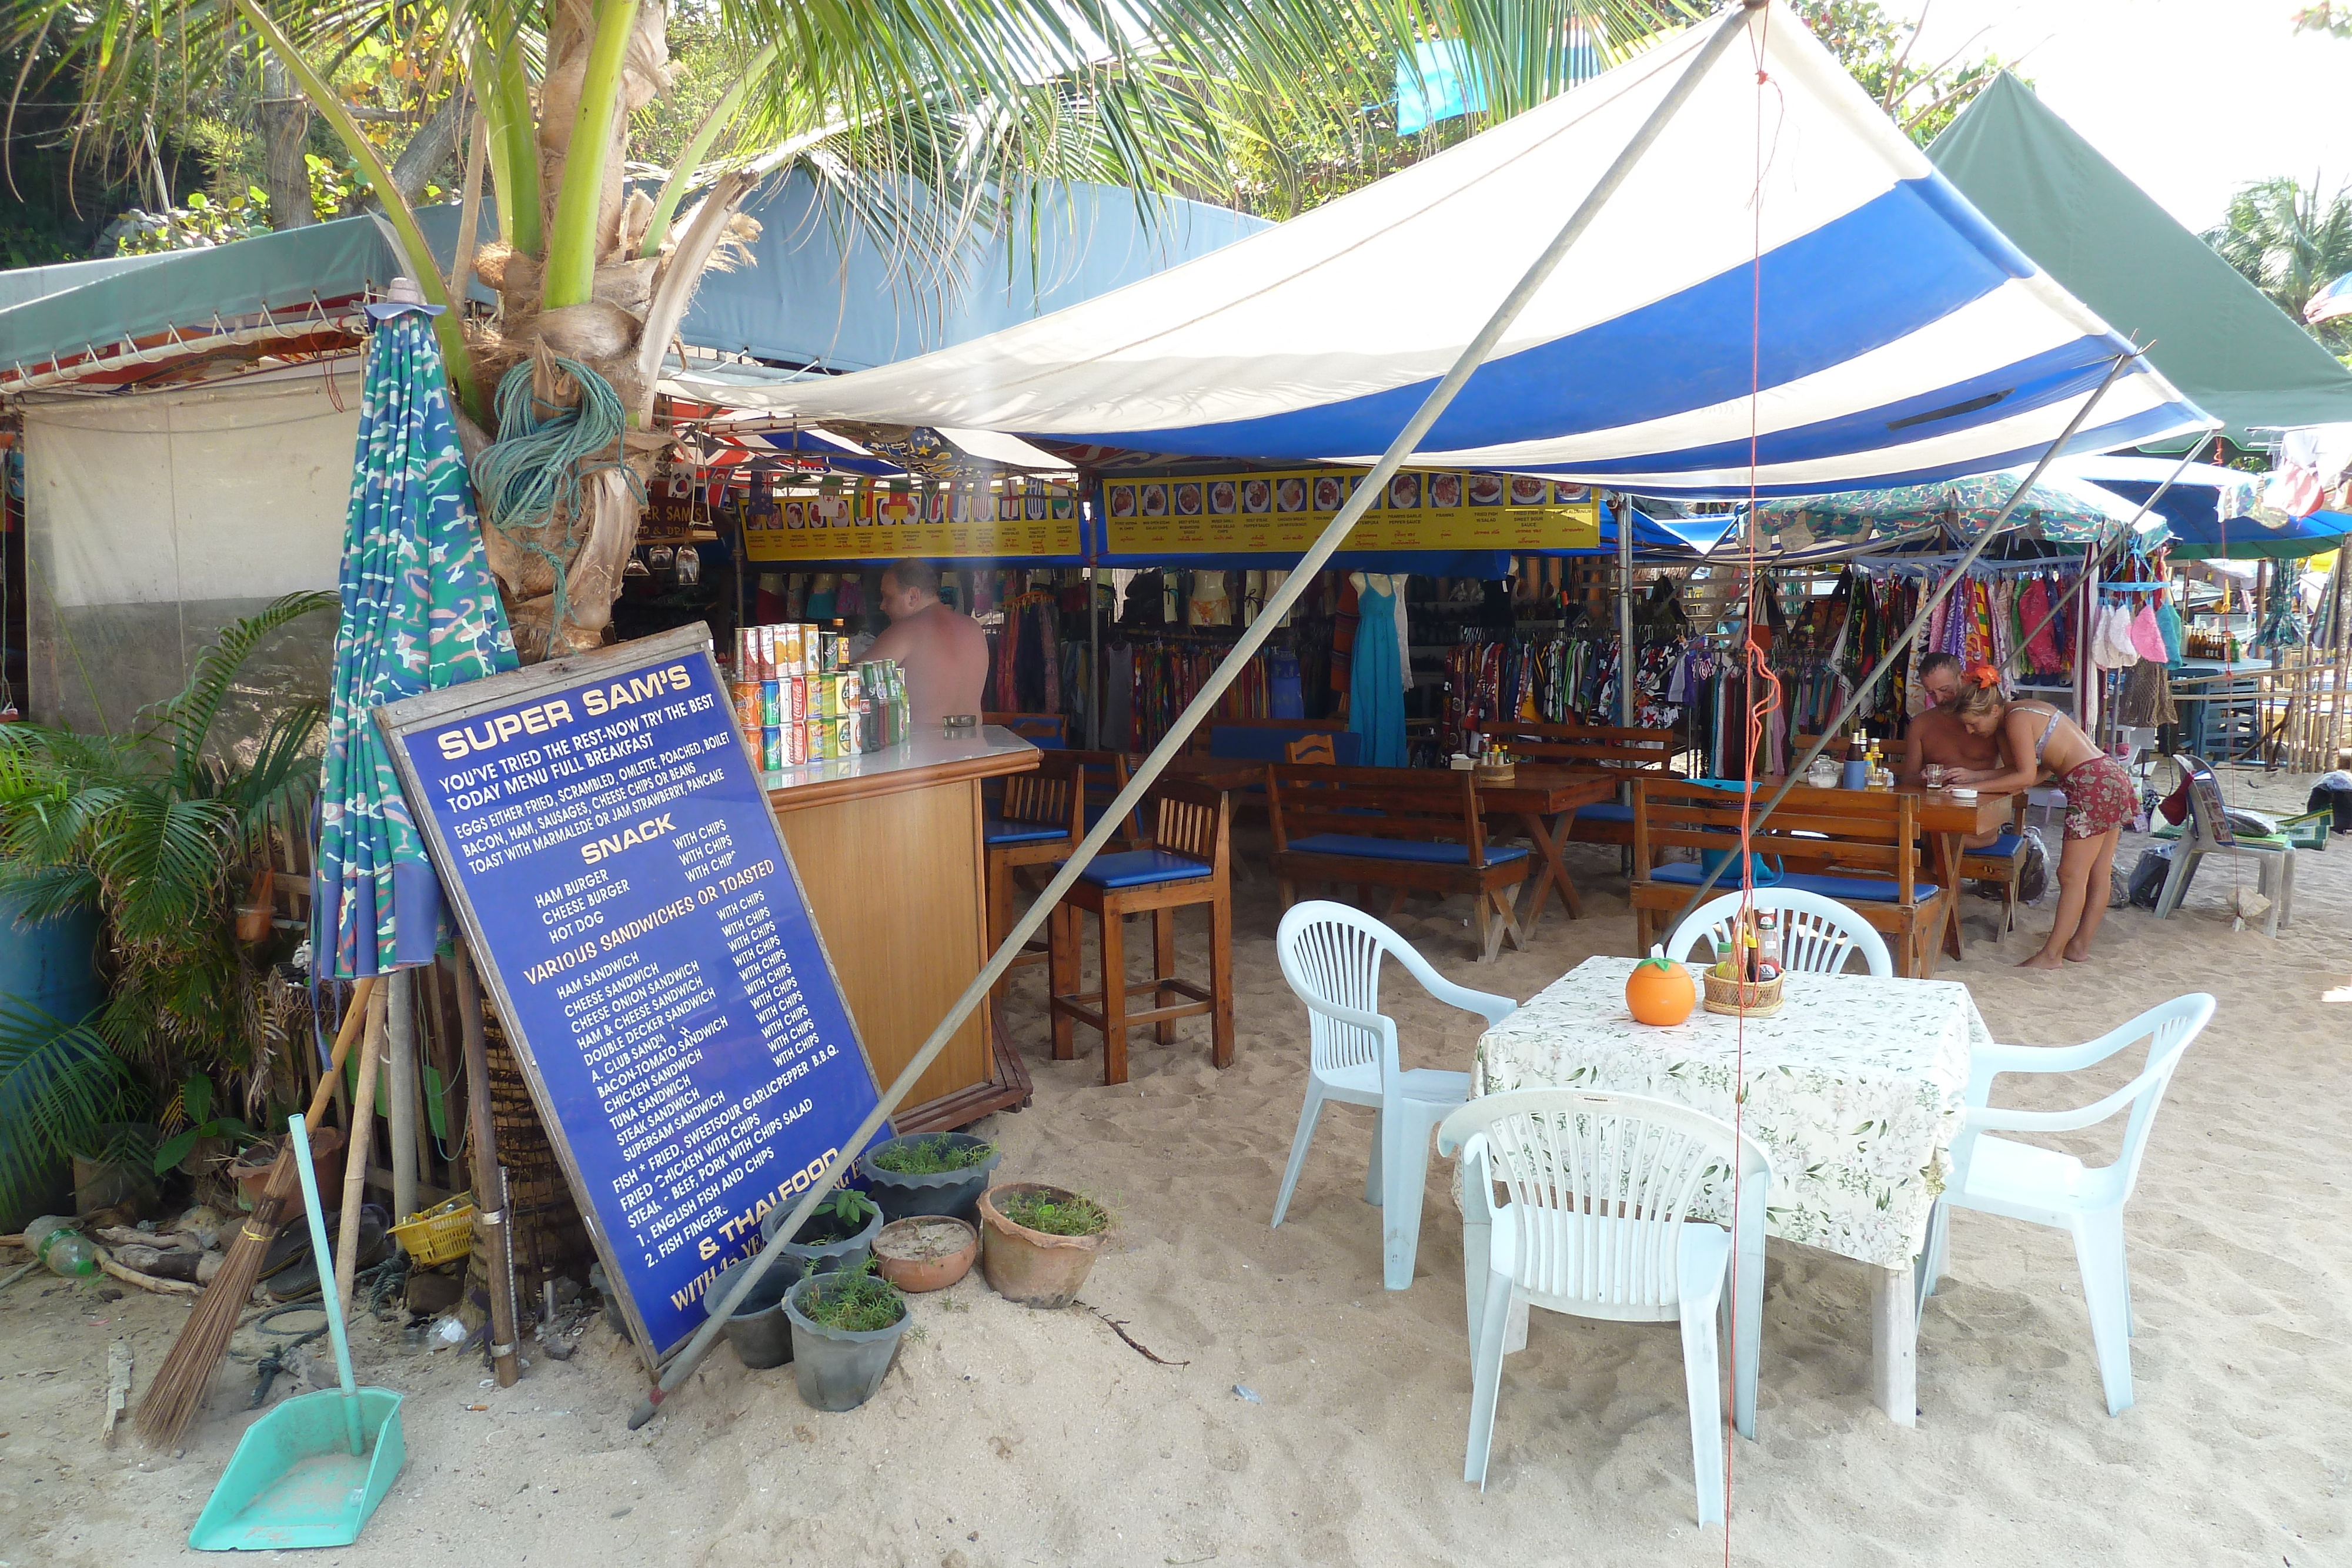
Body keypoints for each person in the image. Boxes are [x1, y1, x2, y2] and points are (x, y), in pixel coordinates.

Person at [1949, 665, 2132, 969]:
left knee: (2072, 876)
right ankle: (2078, 946)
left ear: (1994, 710)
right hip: (2108, 775)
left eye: (1973, 724)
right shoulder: (2023, 710)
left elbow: (2024, 777)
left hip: (2091, 784)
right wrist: (1974, 776)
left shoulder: (2016, 720)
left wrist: (1974, 786)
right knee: (2098, 872)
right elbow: (2038, 770)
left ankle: (2052, 956)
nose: (1971, 731)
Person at [863, 559, 988, 729]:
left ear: (913, 596)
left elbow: (847, 683)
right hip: (977, 752)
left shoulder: (905, 631)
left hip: (923, 752)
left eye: (887, 597)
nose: (883, 606)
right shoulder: (974, 628)